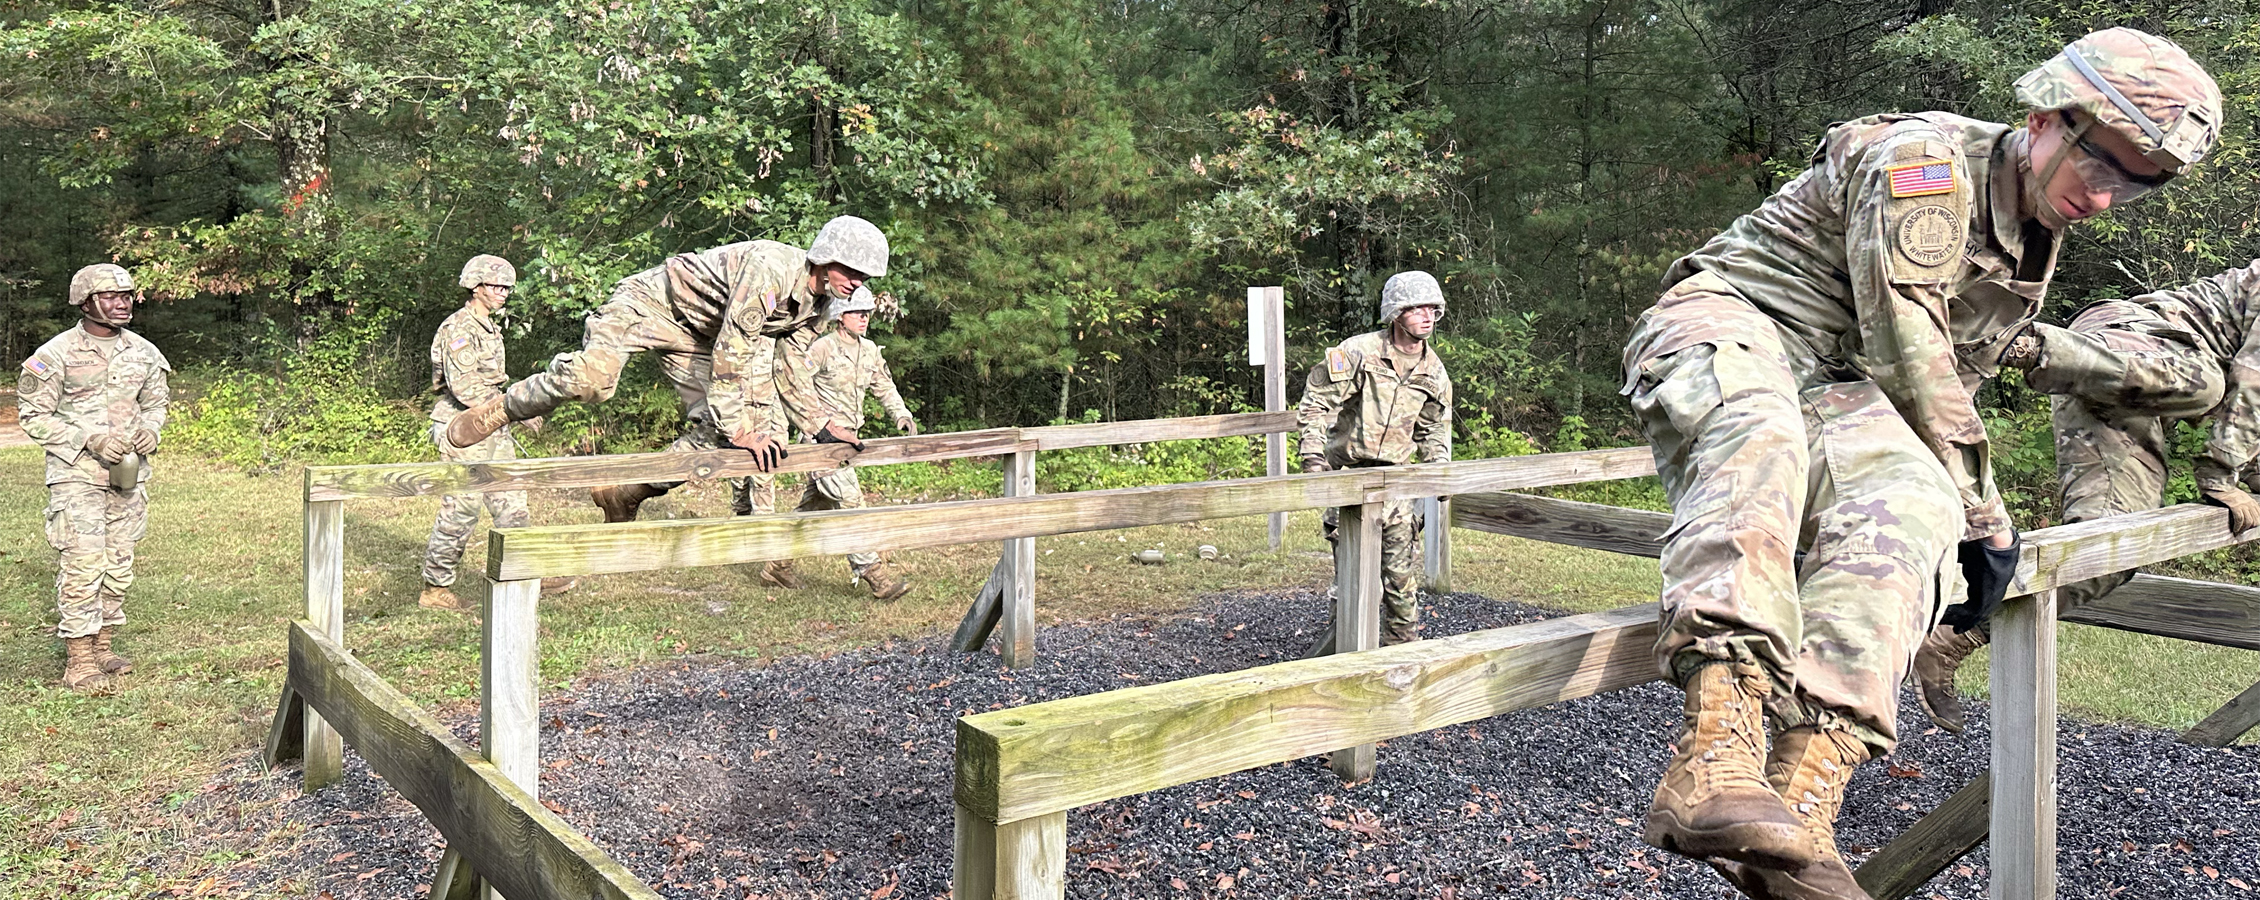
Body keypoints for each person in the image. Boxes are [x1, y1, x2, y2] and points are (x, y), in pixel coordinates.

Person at [1619, 28, 2218, 899]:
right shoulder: (1924, 162)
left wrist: (1960, 509)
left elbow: (1953, 381)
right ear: (2046, 118)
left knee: (1914, 504)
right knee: (1763, 434)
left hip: (1836, 379)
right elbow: (1913, 353)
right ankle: (1715, 756)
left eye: (2140, 180)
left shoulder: (2032, 234)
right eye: (2106, 164)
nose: (2110, 196)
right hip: (1735, 322)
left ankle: (1796, 804)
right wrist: (1990, 512)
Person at [1913, 258, 2260, 731]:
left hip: (2128, 390)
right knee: (2209, 385)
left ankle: (1953, 633)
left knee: (2107, 554)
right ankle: (2018, 343)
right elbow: (2252, 386)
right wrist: (2221, 474)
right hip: (2129, 340)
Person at [441, 216, 891, 527]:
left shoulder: (823, 303)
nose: (855, 283)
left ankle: (625, 493)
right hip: (651, 305)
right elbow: (734, 352)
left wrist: (823, 426)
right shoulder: (772, 271)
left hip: (697, 334)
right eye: (850, 271)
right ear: (825, 256)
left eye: (864, 278)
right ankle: (506, 406)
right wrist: (743, 429)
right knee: (593, 380)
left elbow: (792, 364)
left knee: (714, 434)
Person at [17, 264, 170, 695]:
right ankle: (79, 659)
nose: (122, 304)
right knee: (84, 563)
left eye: (127, 296)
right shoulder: (57, 354)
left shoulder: (143, 352)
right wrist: (89, 439)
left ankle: (103, 644)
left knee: (119, 564)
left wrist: (151, 431)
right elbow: (33, 415)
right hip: (76, 475)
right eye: (111, 297)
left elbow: (156, 404)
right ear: (86, 301)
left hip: (128, 475)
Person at [1297, 270, 1452, 651]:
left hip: (1397, 484)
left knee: (1400, 581)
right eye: (1417, 308)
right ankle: (1340, 653)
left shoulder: (1434, 371)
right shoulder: (1357, 352)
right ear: (1396, 313)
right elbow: (1316, 401)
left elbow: (1433, 428)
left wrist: (1439, 474)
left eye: (1433, 308)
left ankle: (1401, 658)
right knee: (1351, 579)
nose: (1427, 317)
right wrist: (1313, 455)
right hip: (1350, 478)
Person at [418, 255, 576, 611]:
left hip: (493, 426)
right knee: (463, 507)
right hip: (464, 428)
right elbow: (467, 388)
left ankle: (526, 573)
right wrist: (515, 410)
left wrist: (511, 412)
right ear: (476, 287)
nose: (503, 292)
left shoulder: (487, 326)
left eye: (507, 287)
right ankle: (435, 587)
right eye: (496, 286)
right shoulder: (460, 328)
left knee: (512, 503)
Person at [767, 286, 918, 598]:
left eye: (866, 313)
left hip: (848, 442)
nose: (863, 318)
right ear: (839, 316)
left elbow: (884, 387)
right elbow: (793, 382)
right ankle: (876, 576)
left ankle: (777, 565)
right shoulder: (823, 348)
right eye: (856, 312)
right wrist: (809, 422)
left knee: (815, 509)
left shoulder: (870, 351)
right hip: (821, 442)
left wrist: (902, 415)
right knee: (850, 501)